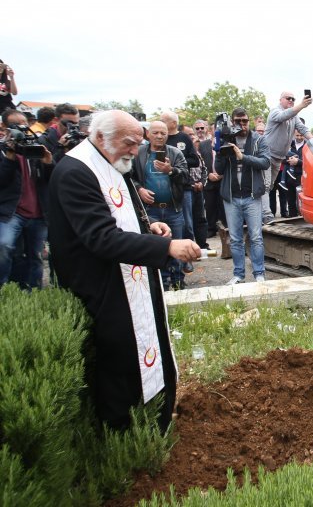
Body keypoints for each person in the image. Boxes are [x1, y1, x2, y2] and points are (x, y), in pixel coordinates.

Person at [48, 110, 200, 433]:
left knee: (152, 346)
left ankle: (155, 423)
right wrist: (167, 249)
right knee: (119, 364)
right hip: (105, 288)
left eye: (138, 143)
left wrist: (151, 227)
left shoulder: (114, 162)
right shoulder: (75, 171)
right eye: (129, 143)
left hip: (135, 278)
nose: (135, 151)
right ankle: (125, 440)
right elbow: (101, 237)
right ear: (100, 137)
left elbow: (127, 214)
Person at [215, 107, 271, 285]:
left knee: (255, 236)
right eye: (238, 121)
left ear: (249, 121)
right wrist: (221, 146)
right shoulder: (227, 139)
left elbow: (265, 162)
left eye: (244, 121)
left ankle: (259, 273)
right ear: (232, 122)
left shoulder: (258, 139)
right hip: (231, 197)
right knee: (236, 238)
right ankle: (238, 275)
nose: (241, 125)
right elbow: (219, 168)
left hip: (252, 196)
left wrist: (243, 156)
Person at [132, 120, 190, 290]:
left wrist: (170, 171)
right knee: (157, 248)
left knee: (178, 245)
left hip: (173, 210)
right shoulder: (139, 153)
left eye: (163, 133)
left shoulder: (175, 153)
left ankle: (179, 282)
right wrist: (139, 189)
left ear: (167, 135)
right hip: (151, 212)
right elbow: (129, 177)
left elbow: (186, 177)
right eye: (155, 132)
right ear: (147, 134)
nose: (159, 136)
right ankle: (162, 285)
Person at [0, 108, 53, 289]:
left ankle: (34, 292)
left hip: (38, 213)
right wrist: (9, 157)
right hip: (12, 212)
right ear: (4, 128)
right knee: (5, 247)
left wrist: (48, 162)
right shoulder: (3, 150)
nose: (21, 129)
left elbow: (50, 180)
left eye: (24, 124)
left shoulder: (35, 146)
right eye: (15, 125)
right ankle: (5, 290)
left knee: (36, 255)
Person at [262, 91, 313, 224]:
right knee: (266, 186)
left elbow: (302, 128)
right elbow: (284, 116)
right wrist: (301, 105)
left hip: (278, 157)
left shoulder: (294, 116)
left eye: (293, 99)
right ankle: (266, 216)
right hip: (267, 155)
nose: (291, 100)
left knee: (270, 185)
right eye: (288, 98)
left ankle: (262, 212)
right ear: (280, 99)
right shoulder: (275, 111)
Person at [161, 111, 200, 246]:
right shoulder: (161, 139)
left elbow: (195, 161)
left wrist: (177, 164)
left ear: (173, 123)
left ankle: (188, 252)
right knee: (168, 222)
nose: (161, 123)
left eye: (164, 120)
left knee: (187, 222)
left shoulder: (184, 138)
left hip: (183, 187)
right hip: (164, 187)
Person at [184, 126, 209, 250]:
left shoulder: (197, 153)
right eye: (188, 135)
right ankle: (190, 248)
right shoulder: (180, 153)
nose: (192, 137)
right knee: (188, 222)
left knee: (200, 219)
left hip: (199, 189)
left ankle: (203, 245)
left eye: (192, 134)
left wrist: (202, 183)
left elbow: (204, 169)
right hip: (187, 190)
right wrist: (192, 184)